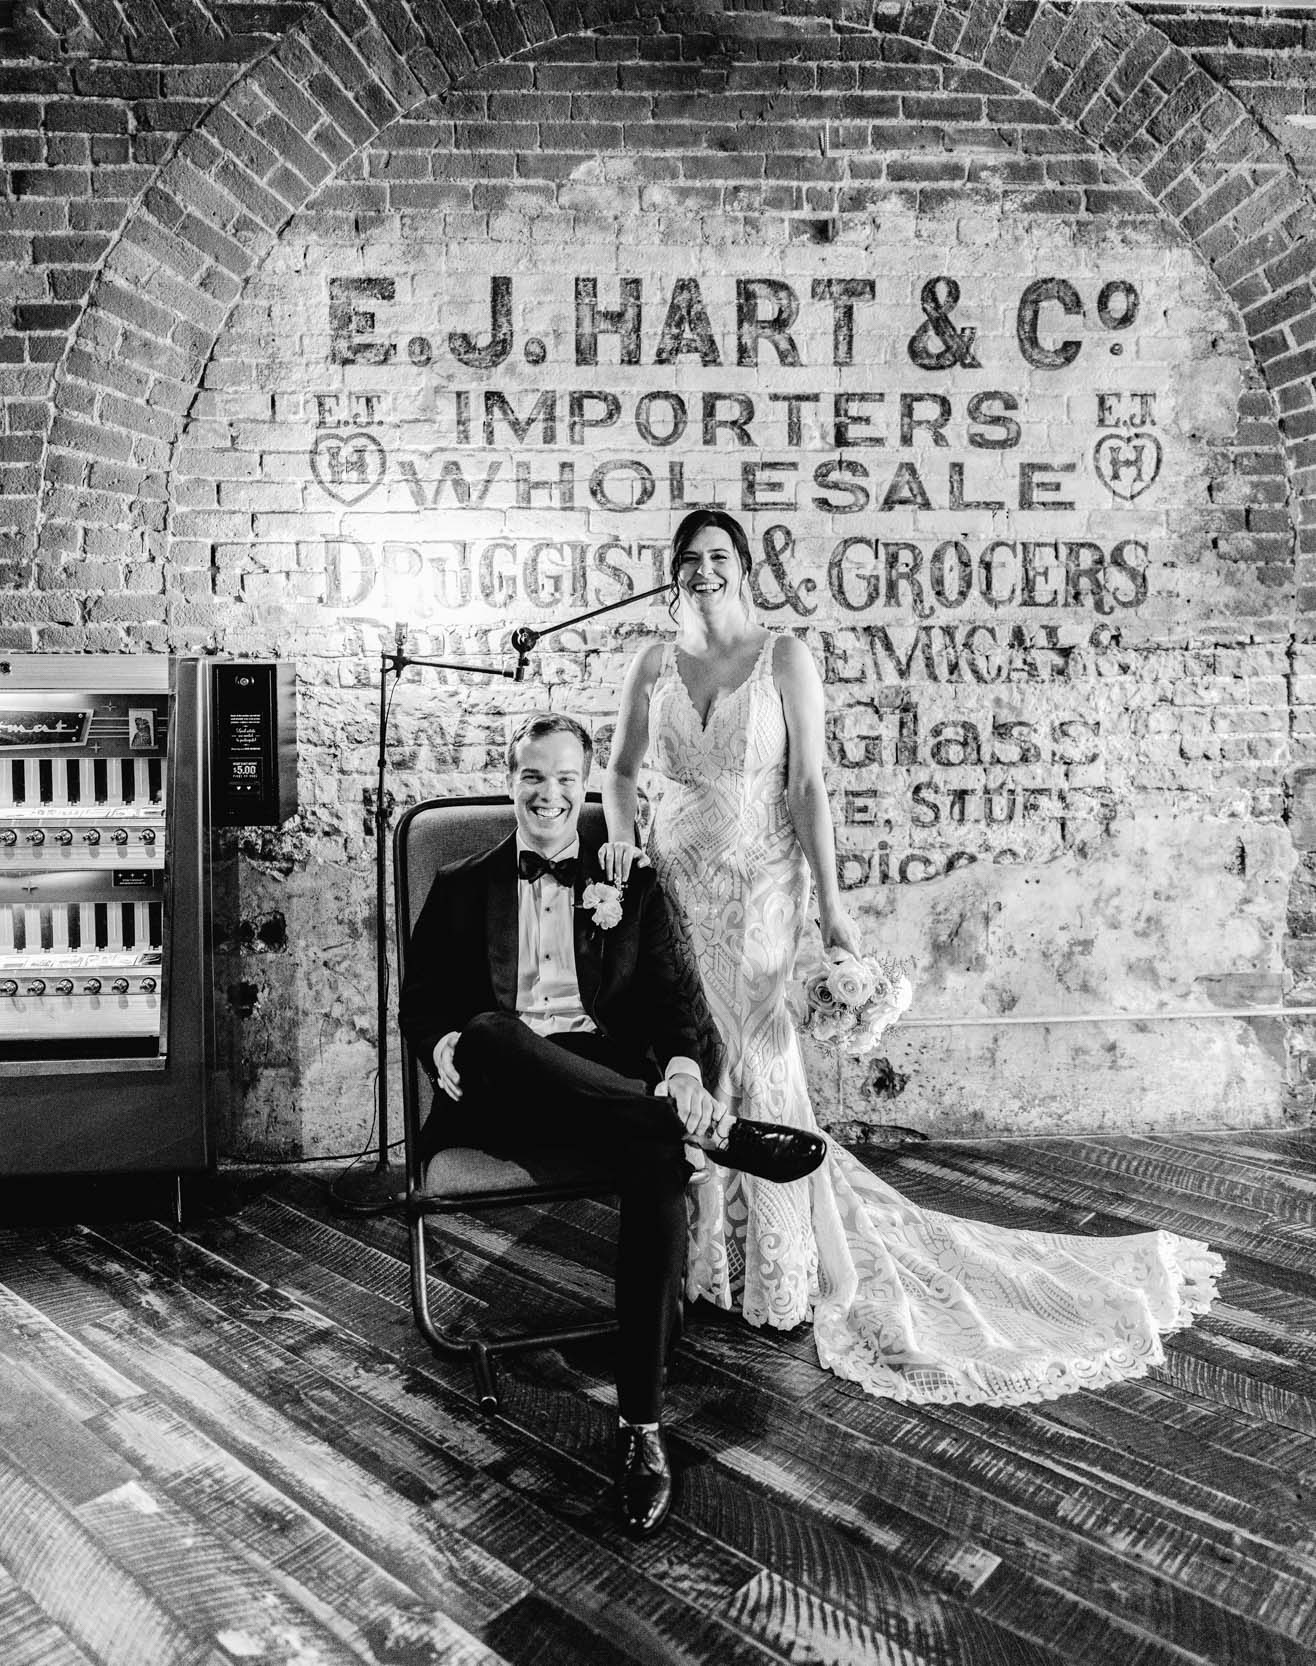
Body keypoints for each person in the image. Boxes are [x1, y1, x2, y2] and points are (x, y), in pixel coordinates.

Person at [602, 510, 1223, 1406]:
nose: (703, 571)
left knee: (760, 1067)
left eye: (719, 558)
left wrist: (838, 912)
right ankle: (702, 1263)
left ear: (743, 568)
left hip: (761, 898)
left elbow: (809, 787)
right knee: (691, 1059)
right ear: (673, 574)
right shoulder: (650, 665)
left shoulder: (784, 660)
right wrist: (624, 843)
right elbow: (620, 771)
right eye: (689, 560)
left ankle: (775, 1266)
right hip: (675, 892)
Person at [398, 711, 827, 1535]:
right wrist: (438, 1040)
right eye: (533, 776)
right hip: (500, 1096)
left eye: (566, 779)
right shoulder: (459, 887)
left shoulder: (633, 884)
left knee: (658, 1164)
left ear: (586, 785)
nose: (548, 794)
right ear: (510, 778)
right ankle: (711, 1135)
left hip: (604, 1092)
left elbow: (683, 1014)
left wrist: (680, 1071)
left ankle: (641, 1431)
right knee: (490, 1030)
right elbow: (420, 1005)